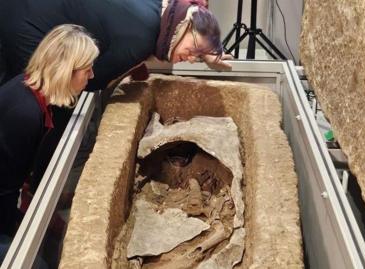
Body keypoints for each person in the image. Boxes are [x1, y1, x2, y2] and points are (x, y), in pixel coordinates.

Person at [0, 0, 231, 193]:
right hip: (29, 21)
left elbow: (196, 17)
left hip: (31, 9)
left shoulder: (164, 11)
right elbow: (93, 80)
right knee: (54, 100)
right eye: (193, 51)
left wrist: (206, 51)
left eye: (198, 56)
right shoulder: (142, 39)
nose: (191, 59)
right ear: (185, 27)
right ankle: (34, 191)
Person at [0, 24, 99, 237]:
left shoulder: (29, 89)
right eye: (86, 69)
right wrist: (13, 235)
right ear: (66, 71)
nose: (91, 75)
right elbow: (6, 188)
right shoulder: (24, 114)